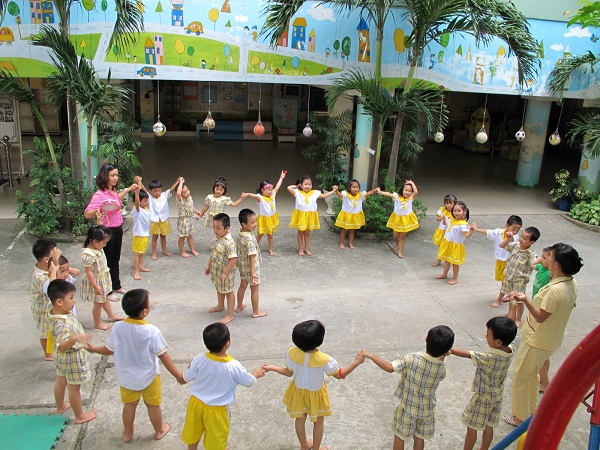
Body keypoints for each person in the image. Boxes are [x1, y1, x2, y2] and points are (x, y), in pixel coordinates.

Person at [504, 243, 583, 427]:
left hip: (537, 340)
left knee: (520, 376)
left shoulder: (556, 290)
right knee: (532, 374)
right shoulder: (571, 283)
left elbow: (540, 317)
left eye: (548, 257)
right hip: (550, 339)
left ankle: (519, 418)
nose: (544, 259)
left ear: (556, 265)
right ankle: (531, 412)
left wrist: (525, 300)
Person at [90, 289, 184, 443]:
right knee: (153, 405)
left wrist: (93, 348)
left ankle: (127, 433)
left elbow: (108, 349)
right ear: (144, 312)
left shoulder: (118, 327)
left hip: (127, 378)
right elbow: (163, 355)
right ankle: (160, 430)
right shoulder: (151, 331)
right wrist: (178, 375)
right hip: (150, 377)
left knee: (129, 405)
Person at [263, 320, 364, 450]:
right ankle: (316, 448)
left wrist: (272, 367)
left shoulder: (292, 353)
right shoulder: (324, 360)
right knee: (319, 422)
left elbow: (288, 373)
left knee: (299, 419)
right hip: (316, 394)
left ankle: (304, 445)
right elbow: (339, 375)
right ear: (320, 340)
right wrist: (357, 362)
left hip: (298, 392)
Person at [359, 325, 455, 450]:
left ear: (426, 339)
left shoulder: (412, 358)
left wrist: (370, 355)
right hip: (427, 409)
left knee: (400, 436)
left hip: (408, 408)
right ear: (447, 350)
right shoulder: (441, 368)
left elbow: (390, 367)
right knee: (419, 438)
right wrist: (443, 354)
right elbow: (438, 365)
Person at [181, 322, 265, 450]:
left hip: (196, 404)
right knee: (216, 438)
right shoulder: (233, 366)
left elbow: (187, 377)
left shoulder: (199, 358)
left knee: (193, 431)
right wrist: (255, 374)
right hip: (217, 409)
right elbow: (249, 382)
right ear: (227, 344)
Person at [450, 317, 517, 450]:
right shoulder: (509, 349)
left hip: (483, 397)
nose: (485, 336)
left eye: (488, 335)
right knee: (489, 425)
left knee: (472, 427)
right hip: (497, 395)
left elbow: (468, 354)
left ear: (498, 342)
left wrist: (448, 348)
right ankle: (484, 448)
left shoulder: (489, 358)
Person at [47, 280, 97, 424]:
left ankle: (61, 406)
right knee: (74, 389)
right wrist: (76, 338)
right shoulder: (61, 324)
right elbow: (63, 346)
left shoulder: (54, 312)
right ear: (59, 302)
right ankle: (80, 416)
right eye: (71, 297)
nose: (74, 300)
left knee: (61, 381)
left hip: (60, 358)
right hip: (71, 359)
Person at [84, 163, 137, 298]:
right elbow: (87, 213)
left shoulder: (112, 192)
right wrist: (97, 211)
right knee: (106, 261)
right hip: (107, 232)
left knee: (115, 259)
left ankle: (116, 285)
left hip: (118, 229)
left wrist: (129, 189)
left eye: (116, 175)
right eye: (112, 175)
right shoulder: (99, 195)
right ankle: (107, 291)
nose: (115, 178)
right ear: (105, 177)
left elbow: (116, 199)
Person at [472, 216, 522, 307]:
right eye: (513, 229)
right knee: (504, 281)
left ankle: (498, 300)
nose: (515, 232)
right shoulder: (499, 232)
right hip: (500, 261)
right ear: (507, 225)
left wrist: (510, 237)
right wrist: (476, 229)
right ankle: (510, 294)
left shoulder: (516, 237)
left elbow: (513, 238)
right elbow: (488, 232)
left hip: (509, 263)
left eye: (517, 230)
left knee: (506, 281)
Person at [81, 225, 124, 330]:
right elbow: (89, 272)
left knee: (104, 299)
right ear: (95, 241)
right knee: (98, 303)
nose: (104, 245)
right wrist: (95, 286)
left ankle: (111, 315)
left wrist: (99, 221)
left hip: (102, 278)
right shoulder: (88, 255)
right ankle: (97, 323)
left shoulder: (96, 246)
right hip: (96, 281)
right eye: (103, 243)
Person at [287, 175, 338, 256]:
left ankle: (307, 249)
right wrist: (297, 186)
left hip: (310, 216)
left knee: (307, 233)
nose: (308, 186)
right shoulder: (297, 192)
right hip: (301, 216)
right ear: (301, 185)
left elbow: (324, 195)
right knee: (300, 233)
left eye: (310, 184)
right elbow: (289, 187)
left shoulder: (315, 193)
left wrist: (333, 191)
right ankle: (300, 249)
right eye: (306, 184)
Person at [500, 227, 540, 327]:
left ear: (532, 242)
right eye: (521, 236)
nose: (521, 239)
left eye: (525, 238)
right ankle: (510, 313)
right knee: (511, 297)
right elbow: (501, 245)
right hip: (509, 277)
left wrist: (541, 261)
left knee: (519, 301)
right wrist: (508, 238)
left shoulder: (531, 254)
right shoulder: (515, 245)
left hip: (520, 281)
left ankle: (518, 318)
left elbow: (534, 266)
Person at [134, 176, 180, 261]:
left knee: (163, 236)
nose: (158, 192)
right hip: (154, 220)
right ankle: (154, 253)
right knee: (154, 238)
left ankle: (164, 250)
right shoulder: (150, 198)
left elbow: (171, 189)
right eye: (155, 191)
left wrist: (177, 182)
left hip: (163, 219)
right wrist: (139, 181)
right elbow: (143, 189)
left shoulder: (164, 195)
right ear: (151, 191)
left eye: (159, 190)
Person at [243, 171, 287, 256]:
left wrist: (281, 178)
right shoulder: (260, 198)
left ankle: (270, 249)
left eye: (271, 189)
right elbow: (254, 196)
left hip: (271, 218)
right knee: (260, 234)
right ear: (262, 190)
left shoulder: (273, 194)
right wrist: (248, 194)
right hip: (264, 219)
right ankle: (253, 246)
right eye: (268, 190)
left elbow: (278, 186)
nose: (270, 191)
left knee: (270, 235)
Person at [44, 255, 81, 354]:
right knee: (66, 345)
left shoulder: (65, 280)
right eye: (62, 271)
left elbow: (77, 271)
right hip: (65, 326)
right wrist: (54, 266)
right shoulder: (49, 285)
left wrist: (63, 268)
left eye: (67, 270)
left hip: (70, 320)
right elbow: (54, 284)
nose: (66, 274)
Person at [205, 213, 238, 324]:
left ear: (227, 228)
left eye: (218, 228)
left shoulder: (230, 243)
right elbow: (213, 253)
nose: (215, 230)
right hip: (216, 271)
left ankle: (230, 314)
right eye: (214, 227)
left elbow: (233, 260)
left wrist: (225, 273)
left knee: (228, 292)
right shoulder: (217, 238)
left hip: (226, 273)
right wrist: (208, 265)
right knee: (219, 288)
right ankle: (220, 305)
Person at [235, 208, 267, 318]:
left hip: (242, 266)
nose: (255, 224)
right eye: (252, 222)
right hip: (251, 268)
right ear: (244, 224)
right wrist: (253, 272)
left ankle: (239, 306)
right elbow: (252, 256)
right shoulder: (249, 239)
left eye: (256, 221)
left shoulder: (241, 232)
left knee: (243, 285)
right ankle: (256, 312)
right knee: (255, 289)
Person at [31, 238, 59, 360]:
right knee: (44, 331)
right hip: (41, 308)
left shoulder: (46, 268)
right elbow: (51, 289)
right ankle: (47, 354)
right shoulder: (39, 276)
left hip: (48, 306)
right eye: (54, 255)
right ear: (46, 259)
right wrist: (55, 267)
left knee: (50, 328)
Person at [436, 201, 475, 285]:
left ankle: (455, 278)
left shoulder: (463, 225)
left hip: (456, 246)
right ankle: (444, 274)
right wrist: (445, 222)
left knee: (455, 263)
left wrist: (471, 230)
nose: (456, 213)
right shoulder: (452, 219)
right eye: (454, 211)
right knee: (446, 260)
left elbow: (467, 236)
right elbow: (448, 226)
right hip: (448, 243)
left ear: (464, 211)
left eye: (459, 211)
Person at [334, 179, 379, 250]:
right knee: (344, 230)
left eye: (357, 187)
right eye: (354, 187)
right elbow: (340, 195)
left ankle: (350, 243)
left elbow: (368, 193)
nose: (356, 189)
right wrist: (336, 191)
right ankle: (341, 243)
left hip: (355, 216)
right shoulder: (345, 195)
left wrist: (375, 190)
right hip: (347, 216)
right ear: (349, 188)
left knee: (352, 231)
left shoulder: (360, 195)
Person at [530, 247, 552, 392]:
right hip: (536, 308)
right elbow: (532, 264)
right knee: (540, 355)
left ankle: (545, 382)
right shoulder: (542, 269)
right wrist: (540, 259)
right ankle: (542, 378)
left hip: (541, 314)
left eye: (545, 258)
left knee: (541, 355)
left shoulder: (551, 275)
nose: (541, 260)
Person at [379, 180, 420, 258]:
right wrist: (380, 192)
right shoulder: (397, 196)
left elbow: (416, 192)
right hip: (397, 219)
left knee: (402, 237)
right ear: (402, 190)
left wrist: (412, 183)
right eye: (406, 190)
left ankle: (400, 252)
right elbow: (389, 194)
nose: (407, 192)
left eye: (409, 191)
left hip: (406, 220)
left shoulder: (411, 198)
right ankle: (397, 244)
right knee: (395, 235)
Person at [176, 177, 202, 258]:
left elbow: (191, 207)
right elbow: (178, 194)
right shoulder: (180, 200)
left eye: (188, 190)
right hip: (183, 220)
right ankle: (182, 251)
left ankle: (192, 249)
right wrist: (180, 183)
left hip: (189, 219)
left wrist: (196, 211)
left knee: (190, 235)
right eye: (184, 192)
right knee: (182, 236)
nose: (187, 193)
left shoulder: (189, 198)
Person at [131, 185, 151, 280]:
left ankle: (140, 266)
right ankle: (136, 271)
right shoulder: (137, 210)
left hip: (144, 234)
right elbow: (137, 204)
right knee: (138, 253)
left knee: (142, 252)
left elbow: (146, 194)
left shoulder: (145, 209)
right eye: (144, 201)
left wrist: (140, 183)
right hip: (139, 235)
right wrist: (137, 194)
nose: (146, 202)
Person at [431, 194, 457, 266]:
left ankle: (449, 260)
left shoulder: (455, 212)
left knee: (450, 246)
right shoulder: (441, 210)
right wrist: (442, 217)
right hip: (442, 230)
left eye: (451, 203)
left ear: (454, 204)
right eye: (447, 203)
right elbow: (437, 219)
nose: (449, 205)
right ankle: (438, 261)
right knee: (440, 246)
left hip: (450, 232)